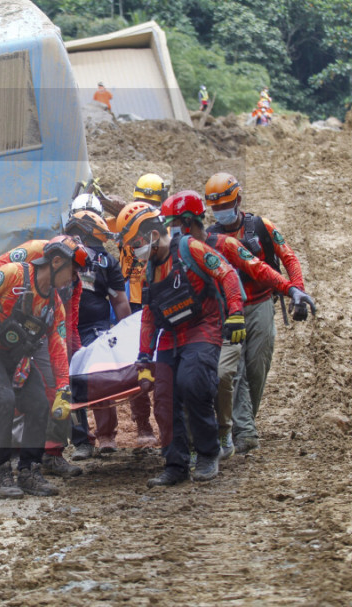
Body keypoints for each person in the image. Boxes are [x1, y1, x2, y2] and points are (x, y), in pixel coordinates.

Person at [161, 190, 310, 461]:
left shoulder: (230, 241)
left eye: (172, 224)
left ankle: (234, 430)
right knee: (218, 376)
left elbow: (259, 268)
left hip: (251, 306)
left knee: (251, 369)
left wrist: (293, 289)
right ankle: (227, 434)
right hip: (212, 320)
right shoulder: (176, 252)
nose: (169, 231)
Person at [114, 202, 245, 487]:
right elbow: (149, 315)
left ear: (152, 235)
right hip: (170, 335)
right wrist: (144, 356)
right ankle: (175, 464)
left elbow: (227, 273)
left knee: (193, 383)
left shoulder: (190, 248)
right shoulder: (149, 269)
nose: (134, 250)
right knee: (164, 399)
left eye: (135, 244)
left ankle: (208, 454)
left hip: (202, 326)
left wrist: (235, 312)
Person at [0, 235, 90, 498]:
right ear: (56, 262)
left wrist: (62, 389)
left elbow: (58, 347)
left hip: (18, 358)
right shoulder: (14, 273)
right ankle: (0, 471)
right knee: (4, 400)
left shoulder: (54, 305)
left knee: (39, 404)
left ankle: (29, 471)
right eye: (73, 272)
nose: (73, 279)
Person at [204, 172, 315, 455]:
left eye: (225, 205)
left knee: (257, 366)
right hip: (229, 310)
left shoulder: (262, 227)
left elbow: (288, 257)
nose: (221, 211)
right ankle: (244, 430)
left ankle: (244, 423)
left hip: (261, 302)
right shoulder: (211, 237)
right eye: (215, 207)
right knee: (233, 370)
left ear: (238, 200)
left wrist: (297, 292)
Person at [62, 208, 132, 457]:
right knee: (67, 382)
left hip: (95, 328)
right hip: (63, 328)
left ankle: (106, 435)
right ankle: (81, 440)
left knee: (98, 377)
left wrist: (127, 334)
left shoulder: (107, 262)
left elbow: (119, 300)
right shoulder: (59, 254)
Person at [116, 174, 169, 449]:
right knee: (140, 363)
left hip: (153, 298)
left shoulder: (163, 229)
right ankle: (144, 423)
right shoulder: (129, 224)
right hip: (135, 300)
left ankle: (157, 424)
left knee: (155, 362)